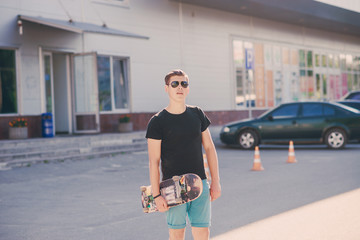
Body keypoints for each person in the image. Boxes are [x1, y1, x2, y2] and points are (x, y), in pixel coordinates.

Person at [146, 69, 221, 240]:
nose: (179, 87)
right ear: (167, 88)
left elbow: (209, 148)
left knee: (203, 233)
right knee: (177, 234)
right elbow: (153, 161)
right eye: (175, 84)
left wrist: (215, 182)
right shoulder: (157, 121)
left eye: (183, 83)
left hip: (200, 184)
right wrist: (156, 195)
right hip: (172, 187)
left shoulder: (197, 114)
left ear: (188, 88)